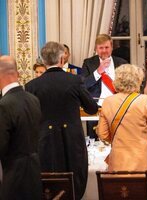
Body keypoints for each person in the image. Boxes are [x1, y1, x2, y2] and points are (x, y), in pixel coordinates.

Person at [25, 41, 98, 200]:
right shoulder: (75, 81)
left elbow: (30, 117)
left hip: (44, 140)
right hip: (71, 140)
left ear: (43, 61)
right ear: (62, 59)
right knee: (74, 183)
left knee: (49, 185)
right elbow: (92, 108)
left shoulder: (31, 86)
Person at [97, 64, 147, 200]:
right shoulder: (144, 100)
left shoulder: (108, 102)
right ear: (138, 81)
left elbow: (103, 134)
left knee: (123, 194)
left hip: (119, 159)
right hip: (143, 158)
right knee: (144, 193)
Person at [0, 56, 42, 200]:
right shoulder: (33, 99)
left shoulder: (4, 105)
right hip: (35, 173)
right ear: (17, 74)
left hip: (14, 177)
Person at [82, 34, 128, 139]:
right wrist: (98, 72)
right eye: (101, 48)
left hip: (119, 107)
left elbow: (128, 85)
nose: (104, 50)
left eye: (107, 47)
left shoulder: (122, 63)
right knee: (96, 140)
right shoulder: (88, 63)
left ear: (112, 47)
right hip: (96, 108)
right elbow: (83, 85)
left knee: (119, 139)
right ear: (96, 49)